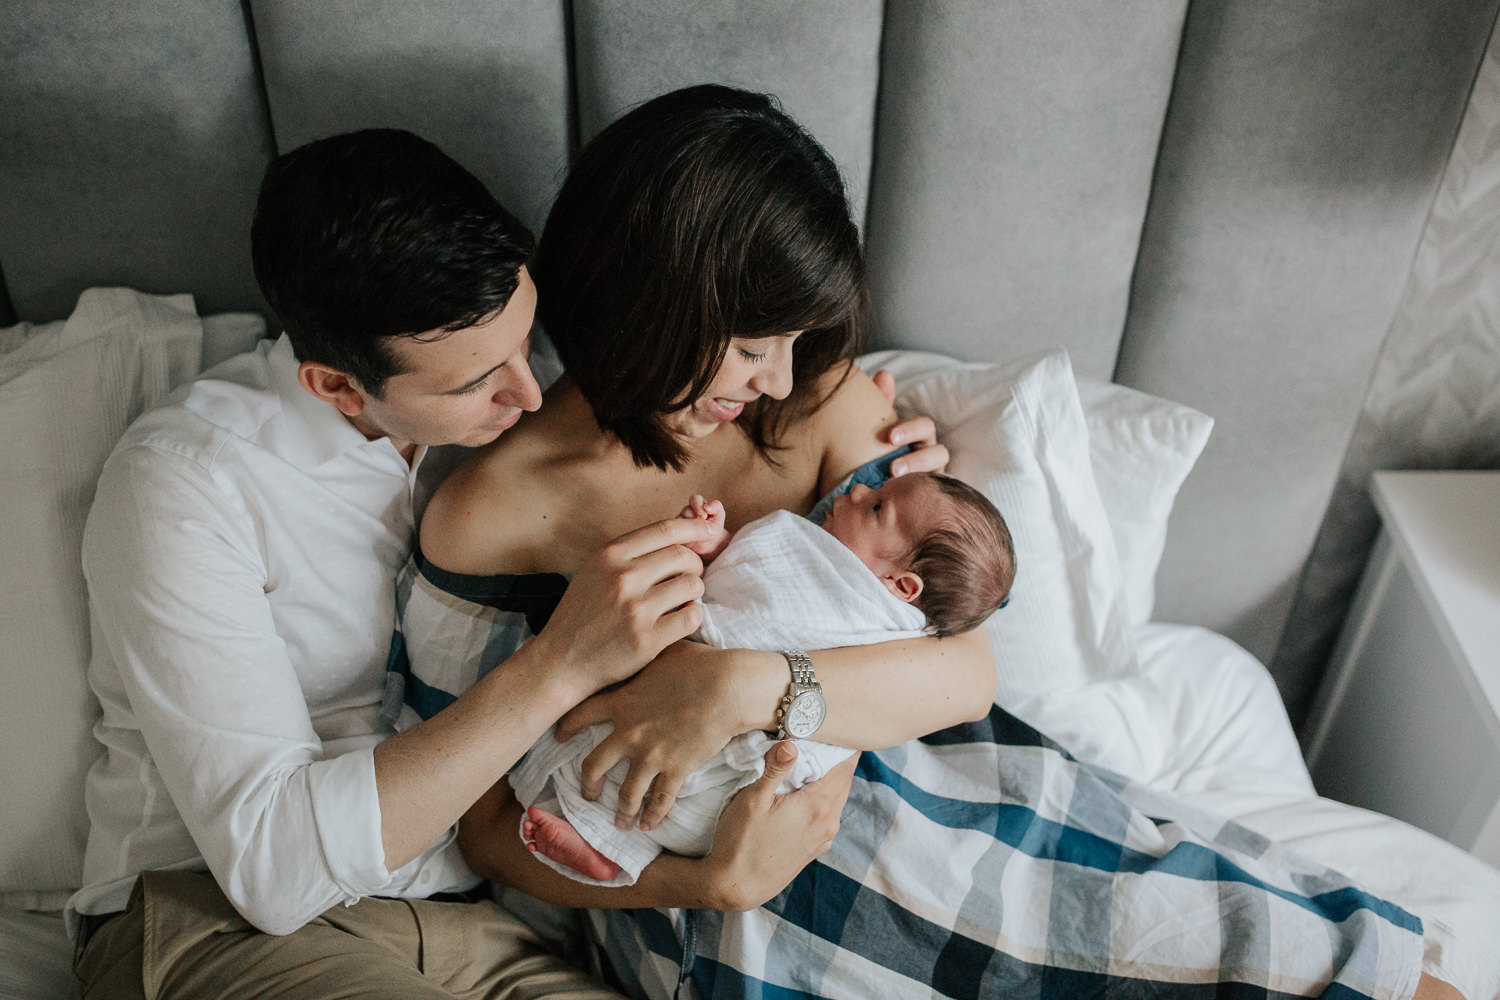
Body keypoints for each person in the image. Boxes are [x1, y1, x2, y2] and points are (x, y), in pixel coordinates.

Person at [400, 86, 1457, 999]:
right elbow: (480, 823)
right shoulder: (490, 514)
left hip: (934, 777)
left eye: (793, 344)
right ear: (649, 305)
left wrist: (736, 687)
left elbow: (964, 672)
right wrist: (706, 883)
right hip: (710, 881)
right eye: (753, 343)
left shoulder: (810, 404)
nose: (776, 374)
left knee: (1297, 954)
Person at [66, 127, 886, 999]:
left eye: (525, 343)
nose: (529, 396)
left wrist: (894, 499)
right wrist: (561, 664)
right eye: (475, 383)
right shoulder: (185, 485)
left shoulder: (504, 440)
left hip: (472, 927)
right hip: (212, 924)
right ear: (337, 386)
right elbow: (274, 871)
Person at [505, 473, 1016, 885]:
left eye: (878, 507)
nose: (857, 489)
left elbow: (967, 679)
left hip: (752, 764)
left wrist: (741, 680)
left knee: (662, 774)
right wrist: (715, 545)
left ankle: (611, 844)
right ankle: (606, 847)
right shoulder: (819, 547)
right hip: (701, 714)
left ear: (901, 586)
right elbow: (744, 581)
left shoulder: (885, 622)